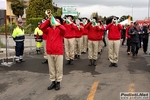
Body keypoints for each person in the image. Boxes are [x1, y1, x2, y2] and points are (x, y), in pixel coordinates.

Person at [40, 16, 66, 91]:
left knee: (58, 68)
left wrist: (58, 24)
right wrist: (48, 19)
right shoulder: (48, 30)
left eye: (57, 21)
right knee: (51, 68)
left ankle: (58, 82)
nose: (55, 22)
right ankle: (53, 81)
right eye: (54, 20)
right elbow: (42, 27)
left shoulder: (60, 29)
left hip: (58, 52)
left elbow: (64, 30)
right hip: (50, 51)